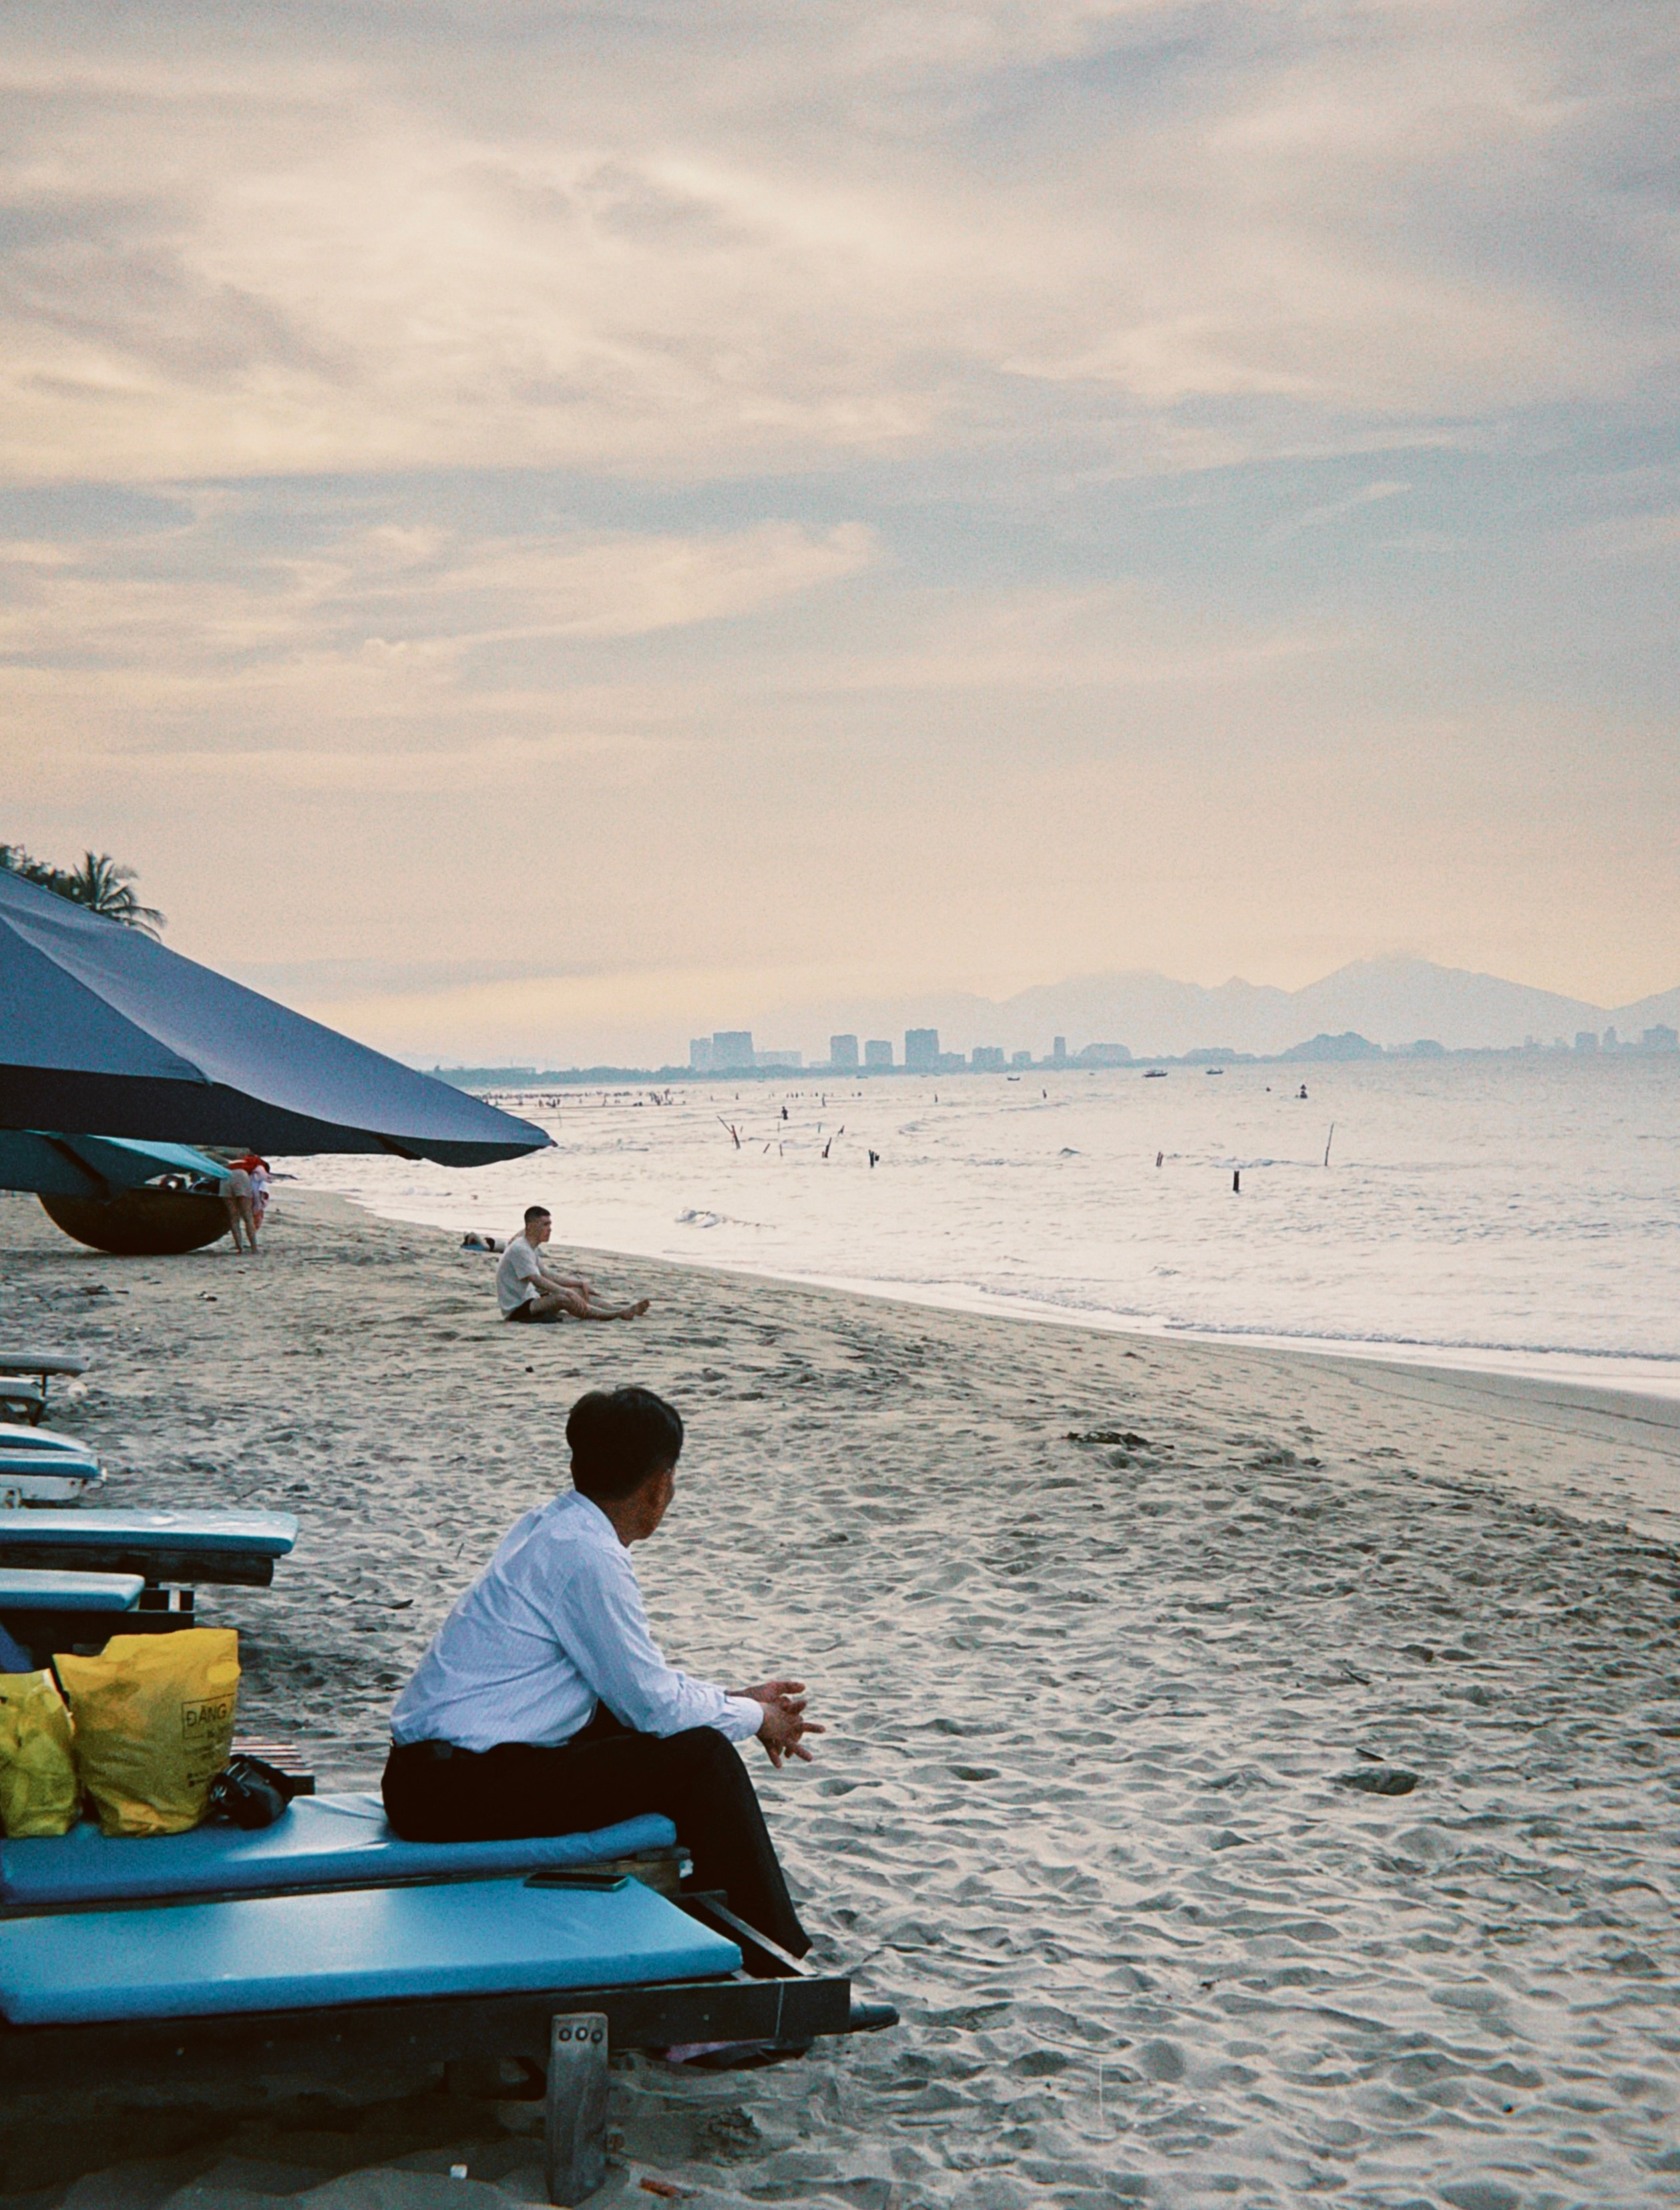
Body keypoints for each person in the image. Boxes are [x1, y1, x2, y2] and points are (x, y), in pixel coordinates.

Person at [382, 1386, 817, 1955]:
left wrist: (733, 1701)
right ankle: (777, 1959)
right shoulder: (587, 1556)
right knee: (703, 1760)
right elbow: (654, 1706)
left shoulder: (555, 1526)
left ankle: (715, 1930)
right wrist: (756, 1715)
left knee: (657, 1731)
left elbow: (634, 1691)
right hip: (452, 1791)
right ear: (661, 1483)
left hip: (432, 1777)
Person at [495, 1206, 649, 1323]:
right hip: (517, 1310)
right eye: (545, 1225)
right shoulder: (520, 1249)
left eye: (549, 1224)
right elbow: (536, 1279)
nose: (550, 1229)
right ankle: (615, 1315)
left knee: (578, 1291)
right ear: (530, 1227)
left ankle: (620, 1309)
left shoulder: (528, 1246)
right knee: (564, 1298)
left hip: (532, 1299)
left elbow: (547, 1275)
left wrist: (579, 1284)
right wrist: (566, 1292)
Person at [220, 1159, 259, 1254]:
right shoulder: (251, 1164)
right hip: (242, 1177)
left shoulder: (225, 1163)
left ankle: (239, 1247)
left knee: (234, 1218)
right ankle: (254, 1248)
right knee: (248, 1217)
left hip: (225, 1177)